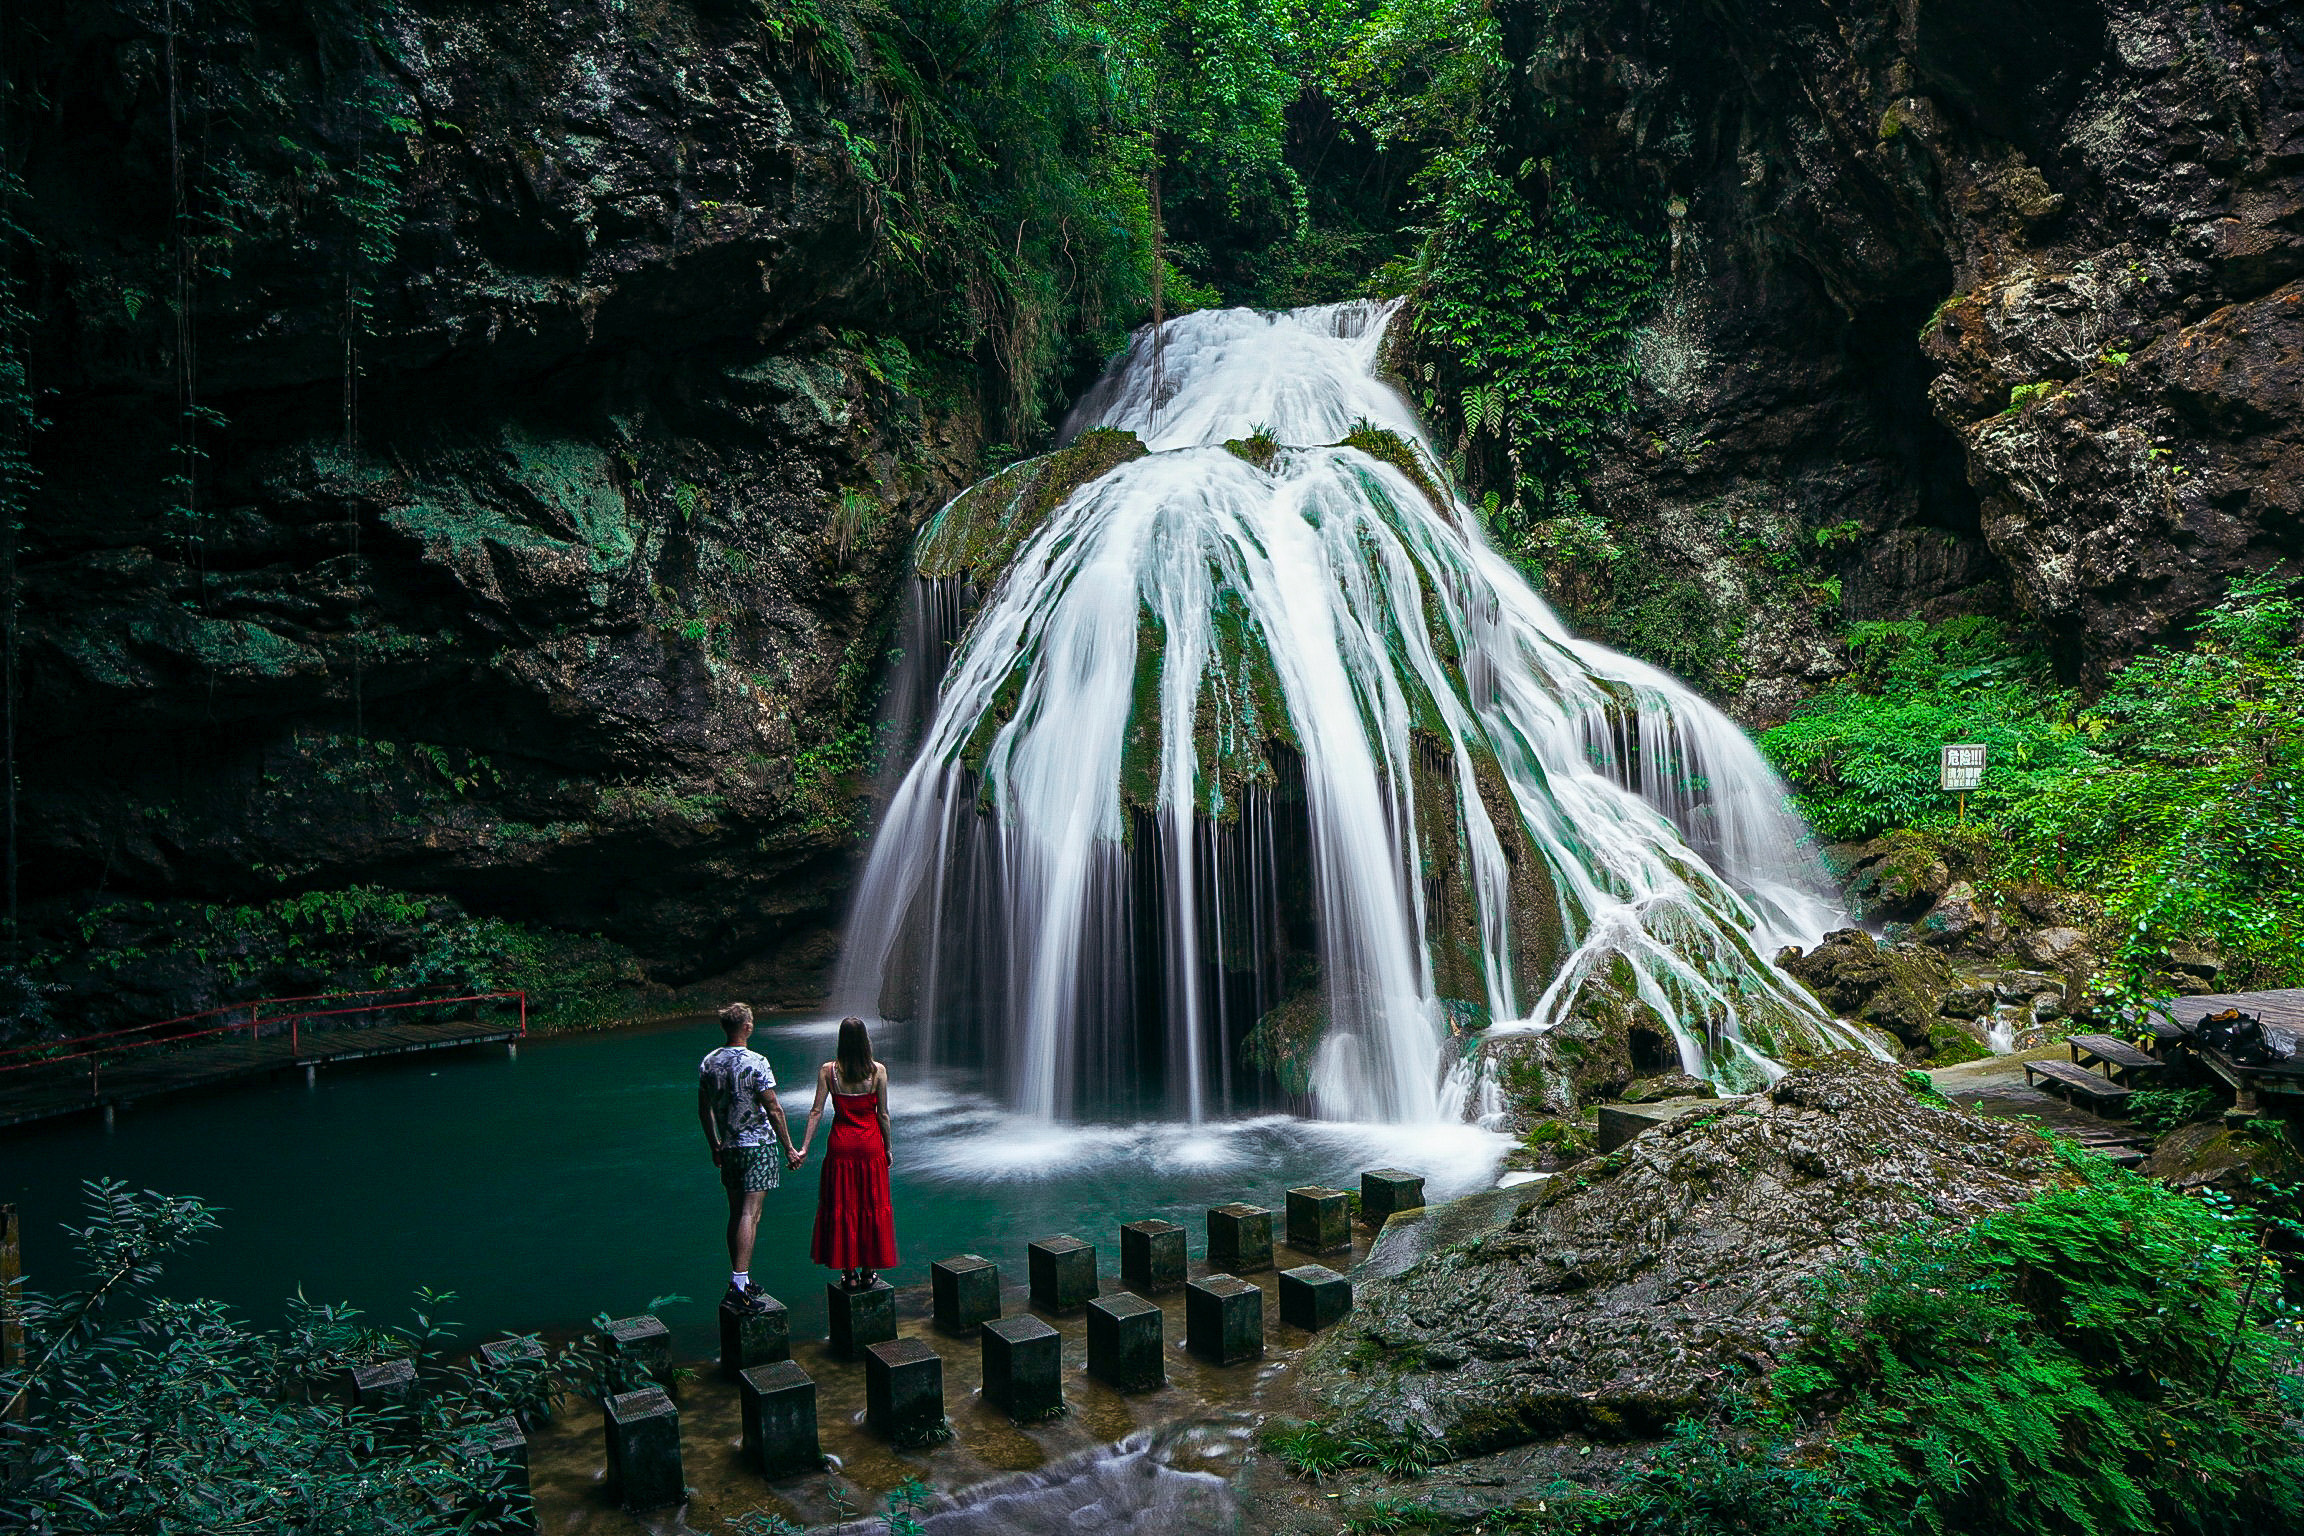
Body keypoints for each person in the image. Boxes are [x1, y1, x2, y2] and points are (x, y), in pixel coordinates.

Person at [697, 1002, 801, 1314]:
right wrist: (789, 1148)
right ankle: (738, 1285)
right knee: (750, 1215)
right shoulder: (757, 1062)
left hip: (728, 1147)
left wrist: (714, 1144)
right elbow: (774, 1108)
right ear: (746, 1027)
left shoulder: (709, 1062)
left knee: (736, 1213)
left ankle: (742, 1278)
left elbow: (704, 1109)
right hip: (758, 1147)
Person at [797, 1016, 898, 1289]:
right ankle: (868, 1271)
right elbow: (883, 1115)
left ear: (841, 1041)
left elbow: (816, 1111)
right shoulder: (878, 1072)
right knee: (870, 1205)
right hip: (869, 1146)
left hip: (840, 1146)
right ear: (866, 1040)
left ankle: (848, 1273)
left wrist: (804, 1147)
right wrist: (888, 1148)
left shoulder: (828, 1071)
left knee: (843, 1205)